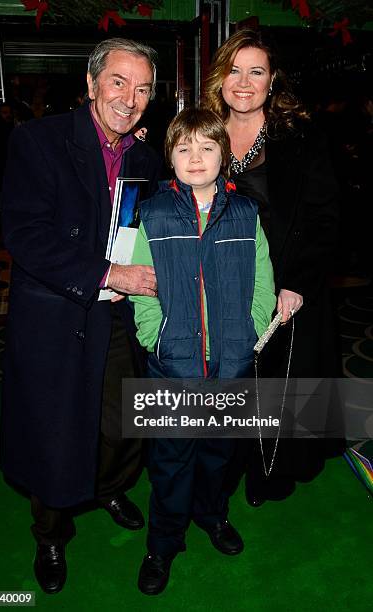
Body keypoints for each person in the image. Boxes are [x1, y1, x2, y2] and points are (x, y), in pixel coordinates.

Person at [0, 38, 161, 594]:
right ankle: (49, 532)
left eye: (142, 88)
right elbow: (25, 235)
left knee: (121, 417)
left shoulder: (143, 154)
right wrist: (107, 273)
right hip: (58, 313)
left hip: (117, 317)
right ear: (91, 84)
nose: (129, 97)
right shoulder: (38, 141)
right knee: (55, 429)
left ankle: (108, 487)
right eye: (118, 82)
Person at [129, 107, 276, 595]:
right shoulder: (151, 212)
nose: (196, 158)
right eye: (184, 148)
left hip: (231, 360)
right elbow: (143, 287)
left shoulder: (246, 212)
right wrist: (156, 336)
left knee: (218, 453)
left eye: (207, 147)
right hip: (172, 362)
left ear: (223, 155)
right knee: (171, 458)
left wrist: (250, 333)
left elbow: (263, 283)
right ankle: (164, 542)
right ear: (170, 155)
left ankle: (212, 515)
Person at [204, 29, 340, 506]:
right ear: (220, 77)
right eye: (234, 70)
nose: (244, 82)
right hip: (221, 282)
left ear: (272, 79)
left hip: (287, 286)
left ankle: (271, 471)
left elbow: (327, 218)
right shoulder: (202, 131)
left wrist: (297, 283)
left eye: (256, 71)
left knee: (280, 382)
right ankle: (228, 467)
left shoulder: (300, 137)